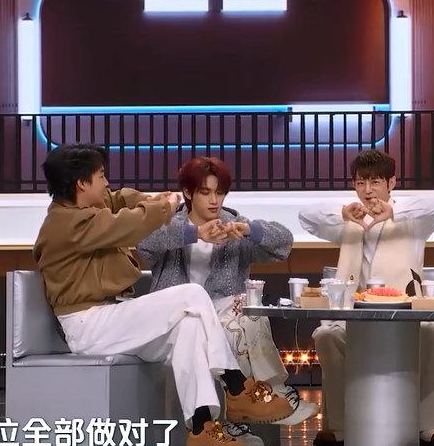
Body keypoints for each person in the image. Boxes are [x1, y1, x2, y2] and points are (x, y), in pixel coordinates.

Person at [33, 144, 290, 446]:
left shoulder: (88, 207)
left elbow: (120, 198)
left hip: (109, 317)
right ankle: (236, 387)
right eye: (101, 175)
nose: (106, 182)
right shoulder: (68, 223)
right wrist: (167, 207)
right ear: (81, 183)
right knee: (192, 295)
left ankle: (201, 427)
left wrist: (156, 199)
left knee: (189, 327)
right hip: (88, 324)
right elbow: (130, 224)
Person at [137, 157, 319, 442]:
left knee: (247, 318)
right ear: (188, 193)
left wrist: (249, 231)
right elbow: (144, 245)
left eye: (219, 193)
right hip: (173, 318)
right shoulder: (171, 224)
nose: (214, 200)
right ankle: (241, 408)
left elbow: (283, 243)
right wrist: (193, 234)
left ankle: (254, 399)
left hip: (222, 316)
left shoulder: (233, 225)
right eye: (205, 192)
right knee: (201, 322)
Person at [297, 149, 434, 446]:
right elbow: (305, 216)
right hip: (354, 318)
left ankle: (430, 426)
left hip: (405, 317)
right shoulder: (349, 219)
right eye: (361, 183)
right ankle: (339, 428)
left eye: (375, 182)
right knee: (326, 336)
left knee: (430, 332)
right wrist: (342, 213)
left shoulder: (413, 219)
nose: (368, 191)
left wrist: (393, 212)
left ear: (391, 183)